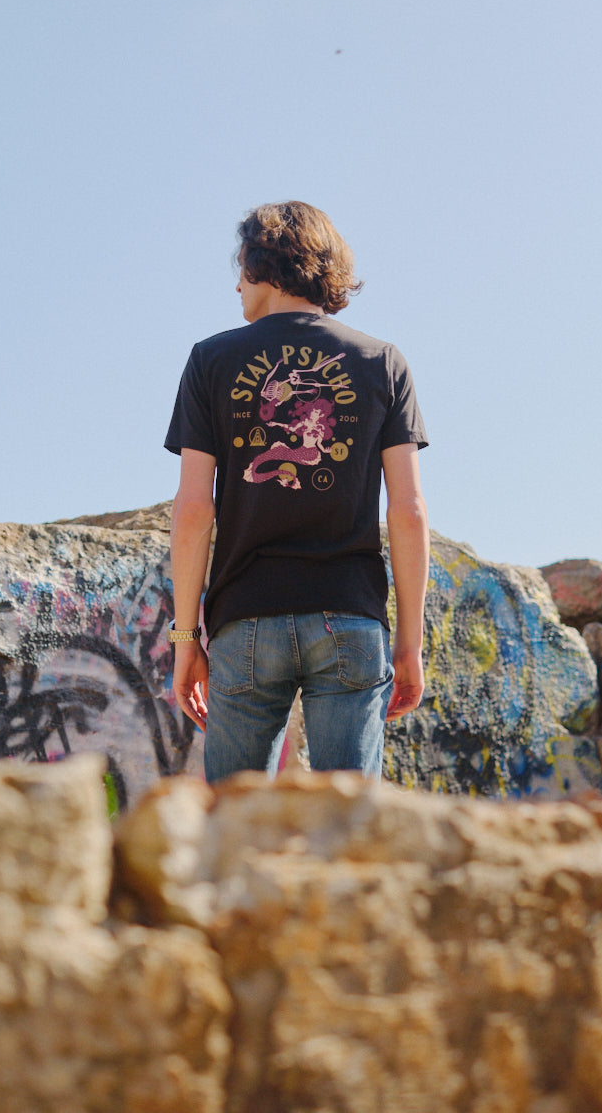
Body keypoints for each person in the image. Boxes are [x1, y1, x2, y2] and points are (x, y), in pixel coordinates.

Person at [164, 200, 429, 783]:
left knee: (234, 829)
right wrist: (409, 644)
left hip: (246, 623)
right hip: (351, 617)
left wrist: (186, 641)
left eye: (240, 268)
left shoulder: (210, 360)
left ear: (262, 266)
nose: (236, 285)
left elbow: (192, 513)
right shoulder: (383, 363)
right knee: (351, 831)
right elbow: (407, 512)